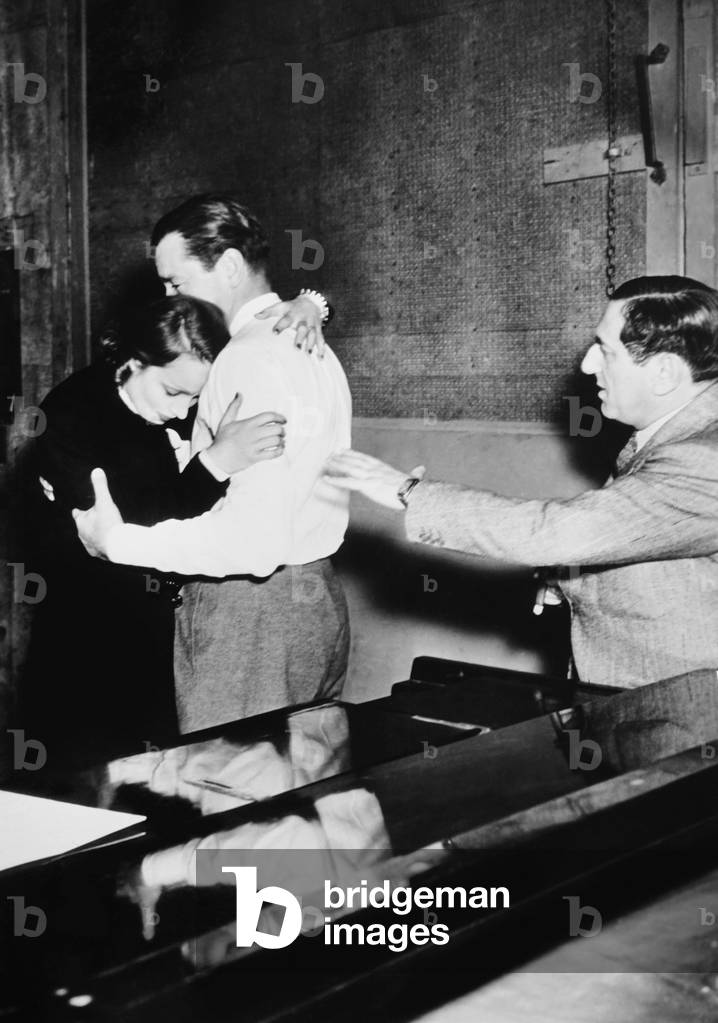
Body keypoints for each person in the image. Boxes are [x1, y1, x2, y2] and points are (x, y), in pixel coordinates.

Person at [323, 276, 718, 690]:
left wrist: (408, 492)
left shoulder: (702, 459)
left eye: (605, 349)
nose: (586, 365)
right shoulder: (674, 436)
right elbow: (647, 543)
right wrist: (572, 580)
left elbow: (565, 531)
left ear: (664, 373)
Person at [74, 195, 352, 731]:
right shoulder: (308, 341)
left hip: (250, 613)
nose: (169, 299)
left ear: (227, 266)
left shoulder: (242, 359)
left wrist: (120, 542)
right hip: (317, 601)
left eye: (176, 283)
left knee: (225, 796)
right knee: (296, 796)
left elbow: (249, 541)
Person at [20, 294, 292, 760]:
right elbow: (129, 531)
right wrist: (216, 462)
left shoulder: (159, 406)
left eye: (195, 397)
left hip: (153, 631)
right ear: (131, 360)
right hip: (84, 642)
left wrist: (312, 305)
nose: (184, 412)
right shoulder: (70, 413)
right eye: (173, 392)